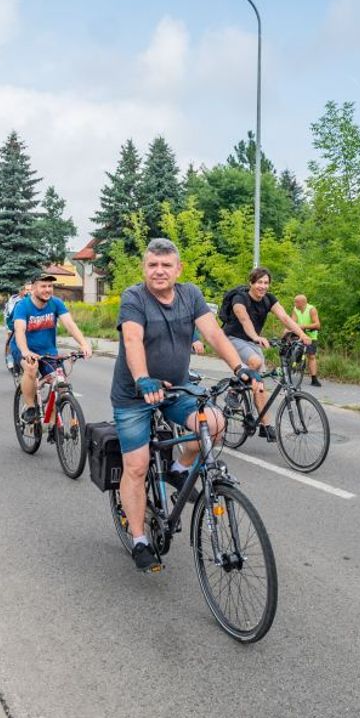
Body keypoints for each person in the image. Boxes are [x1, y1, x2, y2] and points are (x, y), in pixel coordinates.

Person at [112, 238, 252, 574]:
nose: (159, 271)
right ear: (144, 268)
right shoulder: (134, 298)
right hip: (135, 394)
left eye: (166, 265)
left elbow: (214, 335)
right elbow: (132, 339)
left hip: (176, 388)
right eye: (152, 265)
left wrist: (239, 367)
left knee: (215, 424)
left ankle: (178, 468)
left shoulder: (191, 295)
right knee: (137, 466)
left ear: (178, 269)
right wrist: (143, 378)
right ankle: (140, 539)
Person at [220, 268, 311, 441]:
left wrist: (302, 334)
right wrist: (256, 337)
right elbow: (244, 319)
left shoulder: (269, 299)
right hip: (232, 339)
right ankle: (233, 392)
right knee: (255, 362)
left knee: (259, 385)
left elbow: (285, 318)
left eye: (266, 283)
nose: (263, 286)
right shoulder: (240, 298)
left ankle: (265, 426)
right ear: (251, 283)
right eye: (259, 282)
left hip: (252, 342)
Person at [12, 273, 93, 424]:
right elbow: (19, 330)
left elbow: (70, 324)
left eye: (50, 286)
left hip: (48, 351)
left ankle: (54, 427)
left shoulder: (56, 303)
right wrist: (25, 351)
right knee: (31, 367)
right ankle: (30, 407)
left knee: (60, 386)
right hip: (24, 348)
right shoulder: (23, 306)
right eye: (43, 286)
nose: (47, 289)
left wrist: (83, 344)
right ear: (34, 288)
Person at [292, 293, 323, 387]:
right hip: (299, 335)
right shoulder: (295, 309)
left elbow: (317, 324)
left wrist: (303, 326)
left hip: (310, 336)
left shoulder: (311, 309)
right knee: (291, 351)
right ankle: (289, 370)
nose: (294, 304)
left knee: (311, 356)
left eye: (296, 302)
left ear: (302, 302)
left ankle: (314, 379)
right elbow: (292, 322)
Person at [2, 281, 33, 369]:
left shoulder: (33, 299)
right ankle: (9, 357)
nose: (29, 292)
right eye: (27, 290)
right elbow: (12, 314)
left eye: (31, 290)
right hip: (10, 319)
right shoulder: (14, 300)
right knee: (11, 337)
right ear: (22, 291)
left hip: (25, 321)